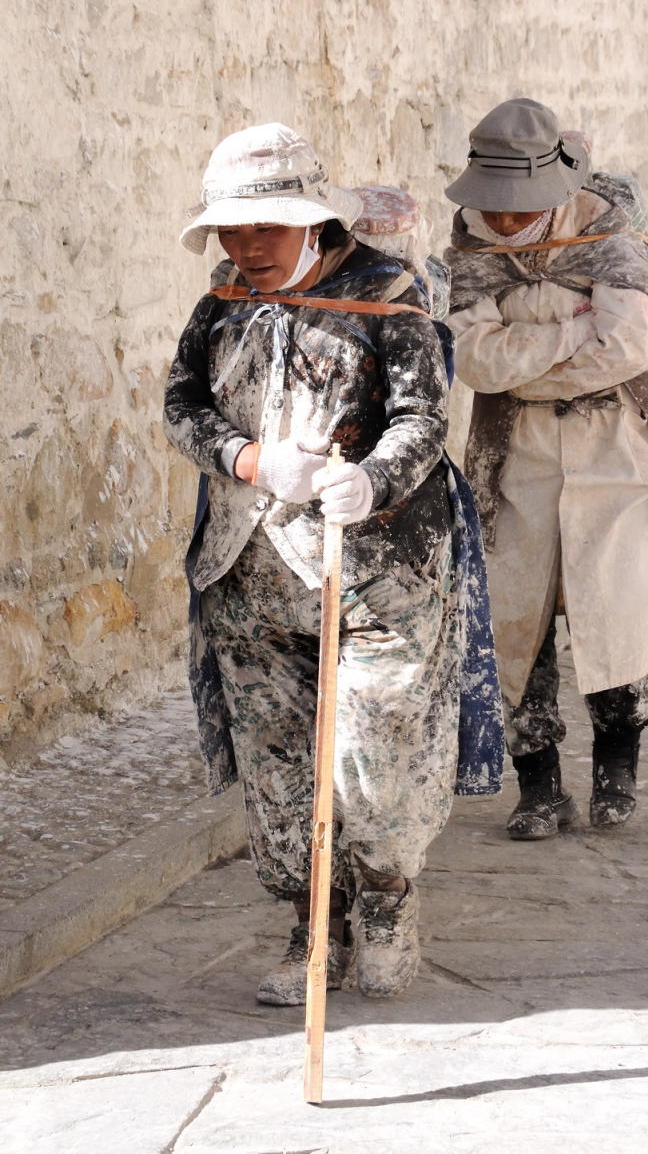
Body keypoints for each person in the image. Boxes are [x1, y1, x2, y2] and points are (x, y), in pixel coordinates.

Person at [163, 122, 500, 1005]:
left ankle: (386, 900)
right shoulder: (221, 304)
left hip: (375, 573)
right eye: (232, 231)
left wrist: (374, 478)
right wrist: (247, 460)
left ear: (313, 222)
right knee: (279, 767)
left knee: (372, 758)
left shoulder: (390, 297)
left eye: (264, 229)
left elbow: (424, 419)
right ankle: (312, 927)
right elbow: (182, 405)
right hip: (250, 574)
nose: (246, 248)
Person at [443, 98, 648, 840]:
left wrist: (525, 345)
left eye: (520, 210)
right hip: (516, 453)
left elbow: (628, 351)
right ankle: (539, 786)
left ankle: (618, 768)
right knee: (516, 618)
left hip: (619, 448)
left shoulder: (613, 234)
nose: (507, 223)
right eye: (497, 209)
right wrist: (575, 327)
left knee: (614, 608)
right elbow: (472, 359)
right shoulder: (471, 248)